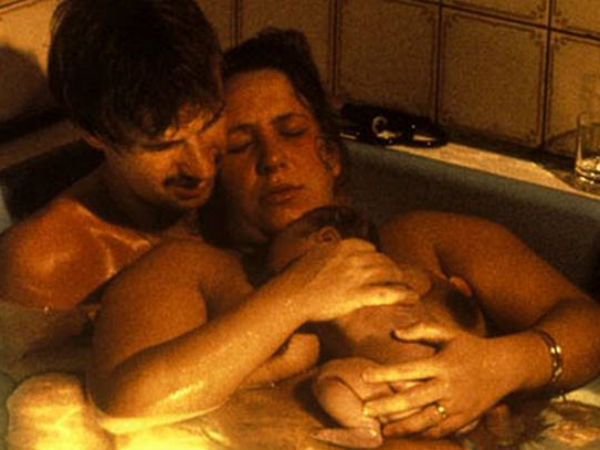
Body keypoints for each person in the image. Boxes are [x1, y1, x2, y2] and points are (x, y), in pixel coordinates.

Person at [89, 27, 600, 446]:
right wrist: (294, 296)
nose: (273, 159)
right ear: (213, 171)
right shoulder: (191, 271)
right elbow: (126, 406)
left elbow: (589, 325)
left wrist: (502, 366)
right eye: (240, 146)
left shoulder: (424, 239)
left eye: (291, 131)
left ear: (331, 153)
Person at [0, 0, 225, 379]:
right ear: (94, 134)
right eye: (162, 146)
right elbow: (32, 392)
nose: (201, 168)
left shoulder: (247, 173)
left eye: (210, 123)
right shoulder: (44, 262)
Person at [263, 205, 486, 448]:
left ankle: (363, 429)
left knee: (329, 377)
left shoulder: (324, 296)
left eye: (289, 273)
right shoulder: (396, 273)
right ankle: (494, 421)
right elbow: (423, 284)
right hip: (457, 391)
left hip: (404, 395)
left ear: (327, 239)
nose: (286, 286)